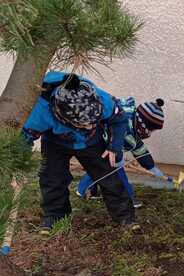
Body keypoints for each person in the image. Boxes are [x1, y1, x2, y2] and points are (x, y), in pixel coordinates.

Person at [22, 71, 136, 235]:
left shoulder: (97, 97)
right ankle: (55, 216)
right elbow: (24, 137)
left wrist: (113, 146)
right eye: (84, 123)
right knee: (52, 178)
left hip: (91, 142)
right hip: (55, 142)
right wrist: (19, 166)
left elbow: (118, 118)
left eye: (93, 121)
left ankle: (125, 217)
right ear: (62, 116)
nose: (90, 125)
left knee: (108, 175)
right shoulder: (40, 109)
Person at [76, 97, 170, 207]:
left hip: (102, 145)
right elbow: (122, 143)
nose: (150, 133)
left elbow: (139, 148)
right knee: (115, 171)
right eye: (152, 130)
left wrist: (152, 167)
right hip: (96, 144)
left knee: (99, 168)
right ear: (143, 125)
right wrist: (118, 160)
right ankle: (126, 198)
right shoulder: (125, 127)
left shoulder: (132, 125)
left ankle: (84, 190)